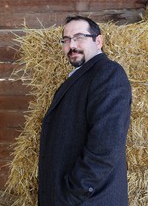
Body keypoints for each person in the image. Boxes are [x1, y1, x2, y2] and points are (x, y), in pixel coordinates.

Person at [38, 15, 132, 205]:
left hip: (89, 200)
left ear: (98, 41)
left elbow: (106, 143)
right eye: (66, 40)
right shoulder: (80, 78)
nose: (71, 45)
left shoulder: (108, 73)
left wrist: (74, 192)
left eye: (79, 37)